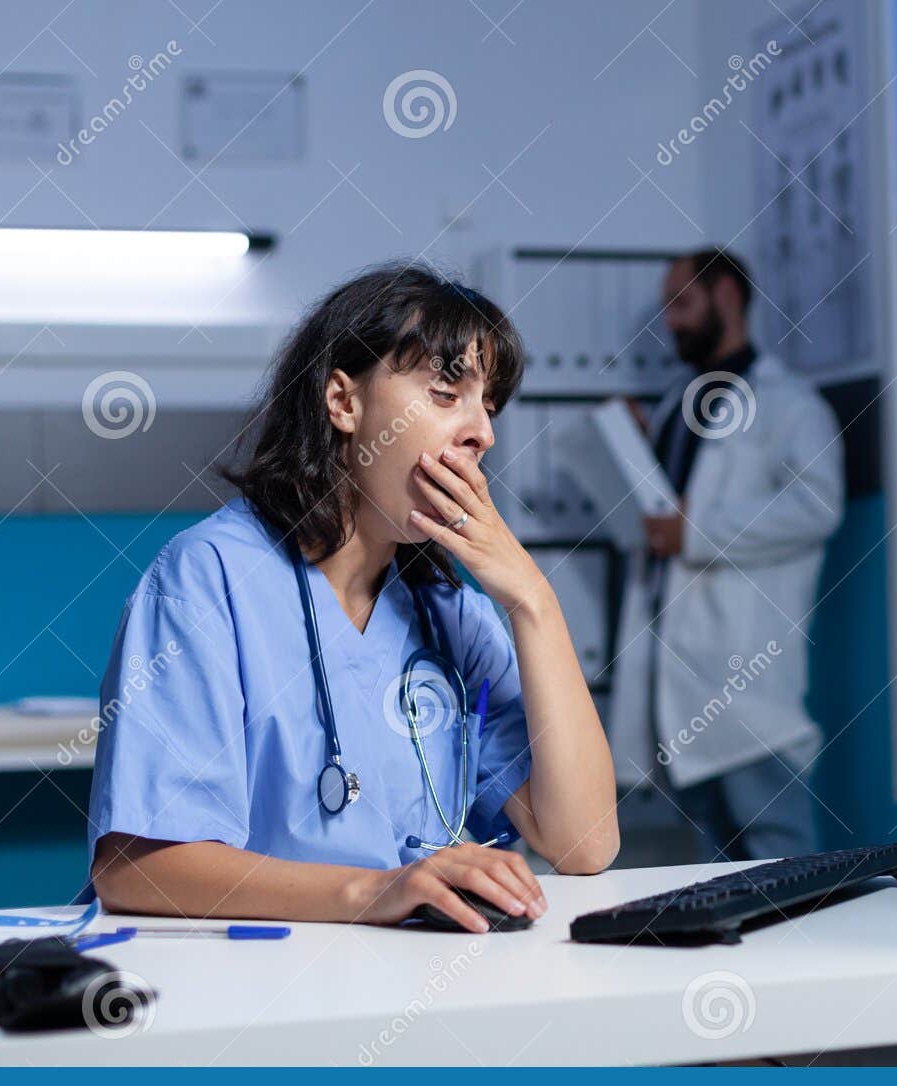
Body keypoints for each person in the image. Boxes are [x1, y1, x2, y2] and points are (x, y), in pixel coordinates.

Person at [87, 262, 619, 934]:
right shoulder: (210, 578)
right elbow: (137, 867)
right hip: (264, 999)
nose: (482, 430)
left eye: (489, 404)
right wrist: (376, 891)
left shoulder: (451, 612)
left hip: (430, 987)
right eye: (446, 390)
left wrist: (534, 601)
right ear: (343, 401)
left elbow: (585, 842)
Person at [609, 247, 844, 862]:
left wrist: (696, 533)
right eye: (666, 308)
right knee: (717, 866)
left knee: (780, 854)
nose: (673, 322)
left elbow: (817, 506)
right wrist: (635, 449)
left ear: (728, 297)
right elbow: (662, 511)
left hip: (748, 679)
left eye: (683, 304)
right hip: (681, 677)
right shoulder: (674, 407)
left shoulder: (790, 405)